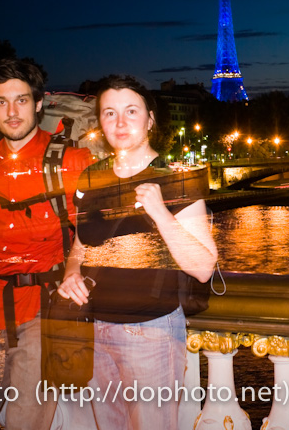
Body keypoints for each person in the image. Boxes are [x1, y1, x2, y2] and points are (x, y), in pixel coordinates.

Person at [57, 75, 217, 429]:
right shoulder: (90, 178)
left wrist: (160, 213)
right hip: (95, 328)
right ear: (99, 121)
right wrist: (71, 271)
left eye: (131, 111)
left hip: (152, 331)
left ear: (150, 119)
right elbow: (81, 246)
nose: (120, 122)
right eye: (109, 113)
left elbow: (204, 267)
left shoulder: (177, 179)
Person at [0, 59, 92, 430]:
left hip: (42, 316)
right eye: (2, 102)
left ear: (39, 103)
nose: (12, 112)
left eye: (21, 101)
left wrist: (75, 267)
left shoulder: (72, 161)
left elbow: (93, 231)